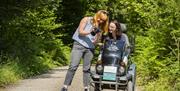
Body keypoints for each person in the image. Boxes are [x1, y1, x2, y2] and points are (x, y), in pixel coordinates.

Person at [61, 10, 109, 91]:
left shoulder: (100, 28)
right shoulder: (86, 19)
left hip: (90, 48)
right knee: (73, 66)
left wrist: (98, 35)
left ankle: (86, 87)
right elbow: (80, 32)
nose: (100, 21)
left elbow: (95, 42)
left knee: (86, 69)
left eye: (102, 21)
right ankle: (65, 86)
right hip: (78, 45)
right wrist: (90, 32)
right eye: (99, 18)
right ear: (96, 15)